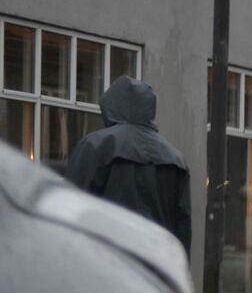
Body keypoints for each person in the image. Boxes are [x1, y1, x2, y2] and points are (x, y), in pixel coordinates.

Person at [63, 76, 192, 249]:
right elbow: (182, 225)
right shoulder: (176, 159)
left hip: (108, 261)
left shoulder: (96, 146)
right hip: (155, 264)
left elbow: (70, 207)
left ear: (110, 106)